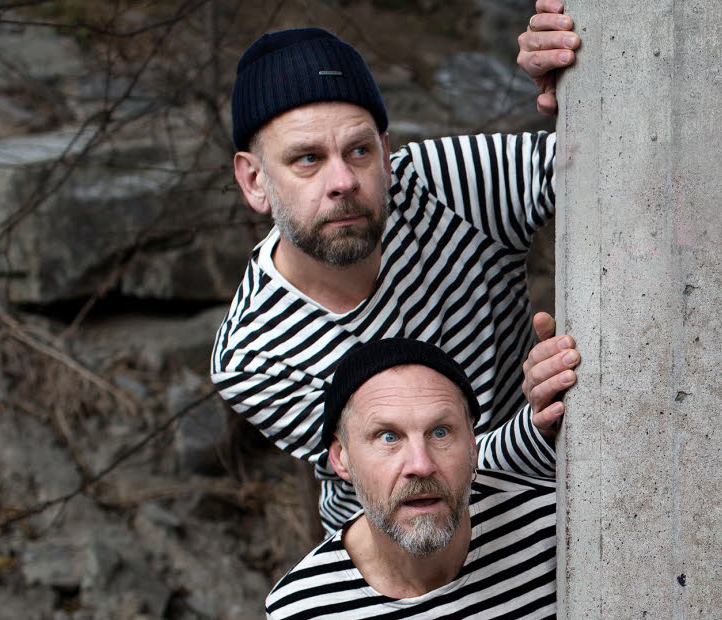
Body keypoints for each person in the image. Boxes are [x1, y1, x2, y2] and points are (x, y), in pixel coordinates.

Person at [210, 2, 584, 531]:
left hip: (556, 497)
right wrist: (537, 422)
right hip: (404, 546)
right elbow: (413, 478)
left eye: (359, 151)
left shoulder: (446, 187)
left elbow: (612, 158)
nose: (343, 181)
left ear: (386, 154)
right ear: (254, 181)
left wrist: (573, 85)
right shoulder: (255, 355)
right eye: (307, 159)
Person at [265, 338, 557, 618]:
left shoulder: (555, 527)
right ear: (341, 458)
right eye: (388, 437)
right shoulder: (302, 608)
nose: (421, 465)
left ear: (472, 443)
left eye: (440, 432)